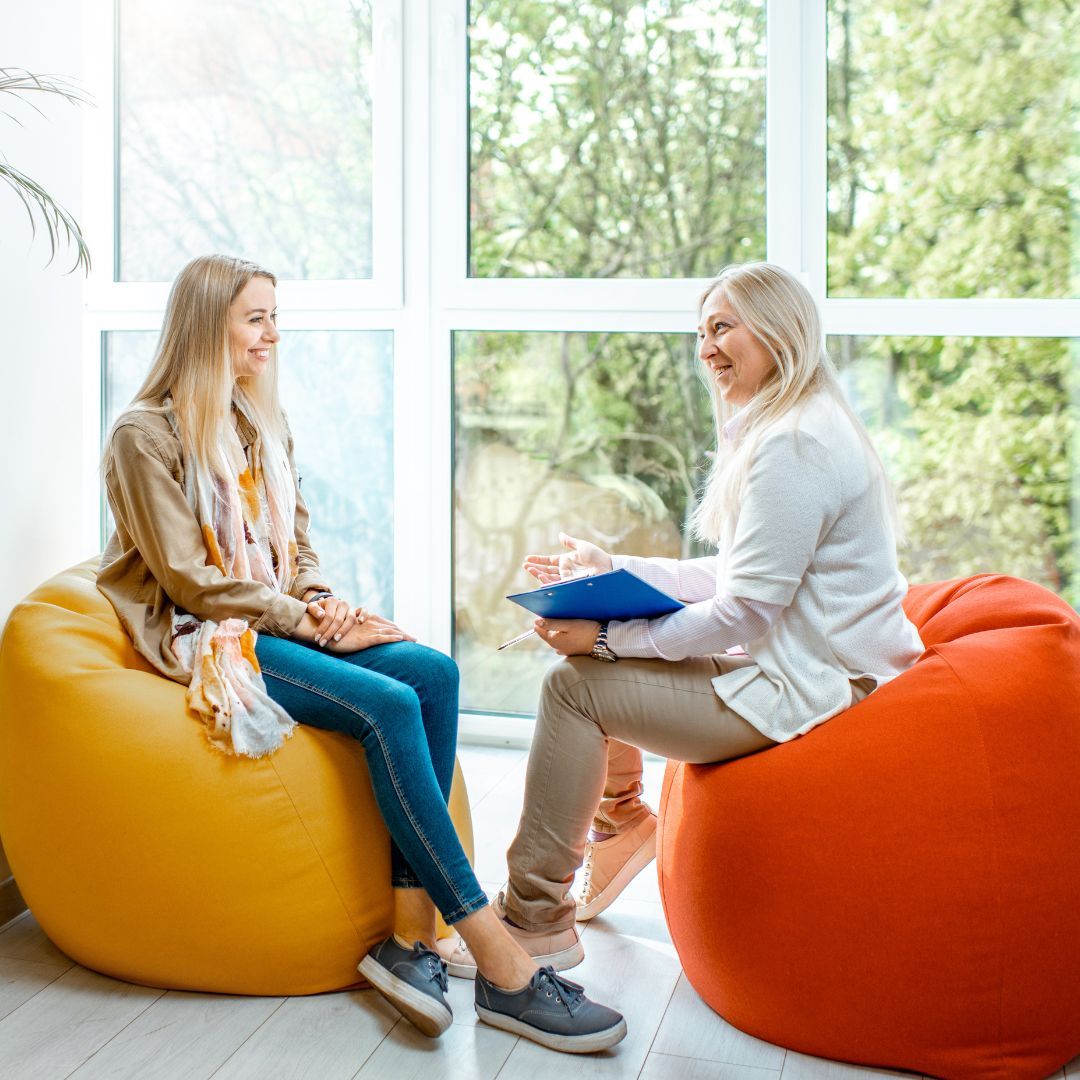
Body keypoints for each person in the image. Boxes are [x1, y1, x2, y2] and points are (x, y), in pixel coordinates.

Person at [96, 254, 626, 1054]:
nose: (273, 334)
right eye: (255, 318)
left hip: (270, 618)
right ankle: (500, 960)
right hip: (205, 635)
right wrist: (305, 623)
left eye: (275, 317)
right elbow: (190, 581)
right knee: (387, 704)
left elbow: (297, 545)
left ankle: (408, 938)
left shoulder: (258, 421)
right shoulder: (143, 435)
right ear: (206, 327)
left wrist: (320, 602)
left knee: (433, 672)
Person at [497, 261, 925, 958]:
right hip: (811, 670)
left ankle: (532, 921)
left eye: (722, 328)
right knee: (596, 657)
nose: (706, 350)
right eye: (701, 333)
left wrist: (606, 641)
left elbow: (744, 611)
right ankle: (620, 823)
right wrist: (615, 571)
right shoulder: (794, 424)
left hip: (820, 689)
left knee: (573, 687)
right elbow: (741, 573)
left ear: (778, 330)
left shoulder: (794, 445)